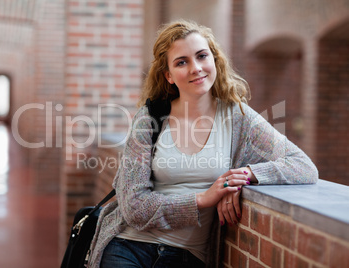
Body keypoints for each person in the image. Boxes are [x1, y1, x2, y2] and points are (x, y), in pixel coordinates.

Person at [88, 20, 318, 268]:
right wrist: (203, 198)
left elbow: (304, 167)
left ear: (214, 60)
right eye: (181, 62)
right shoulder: (150, 118)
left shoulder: (239, 118)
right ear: (169, 76)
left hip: (187, 256)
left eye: (201, 56)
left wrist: (244, 175)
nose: (196, 68)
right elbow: (134, 207)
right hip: (127, 246)